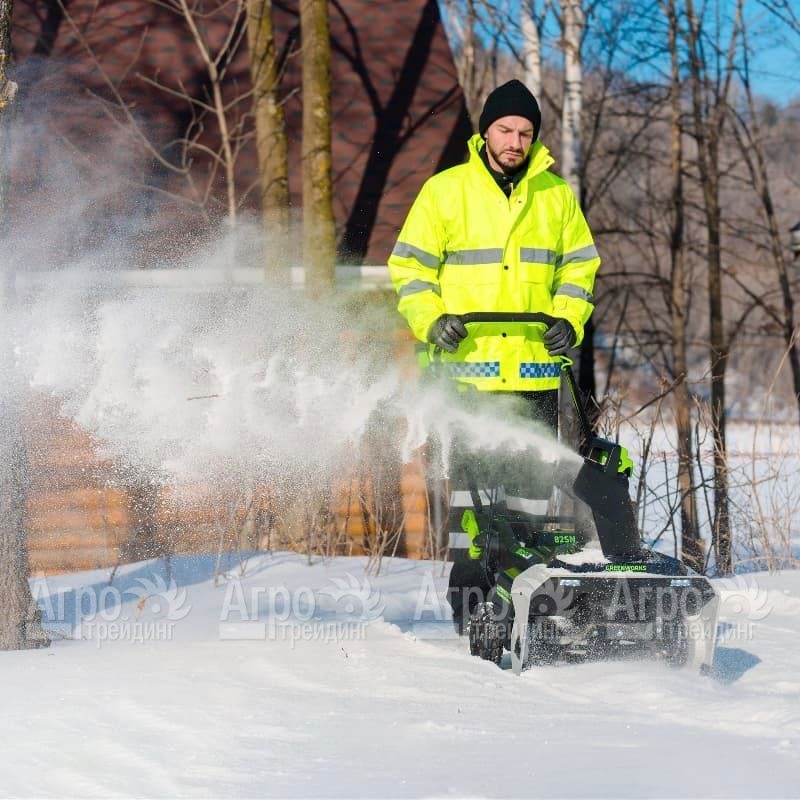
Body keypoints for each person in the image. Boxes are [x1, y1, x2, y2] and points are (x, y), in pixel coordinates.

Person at [387, 79, 601, 641]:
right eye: (505, 129)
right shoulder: (445, 192)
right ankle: (473, 609)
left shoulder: (556, 196)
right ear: (485, 132)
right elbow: (409, 268)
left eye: (525, 133)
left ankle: (528, 611)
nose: (515, 141)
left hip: (534, 376)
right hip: (467, 379)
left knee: (529, 503)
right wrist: (432, 320)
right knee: (473, 506)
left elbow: (579, 269)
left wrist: (567, 319)